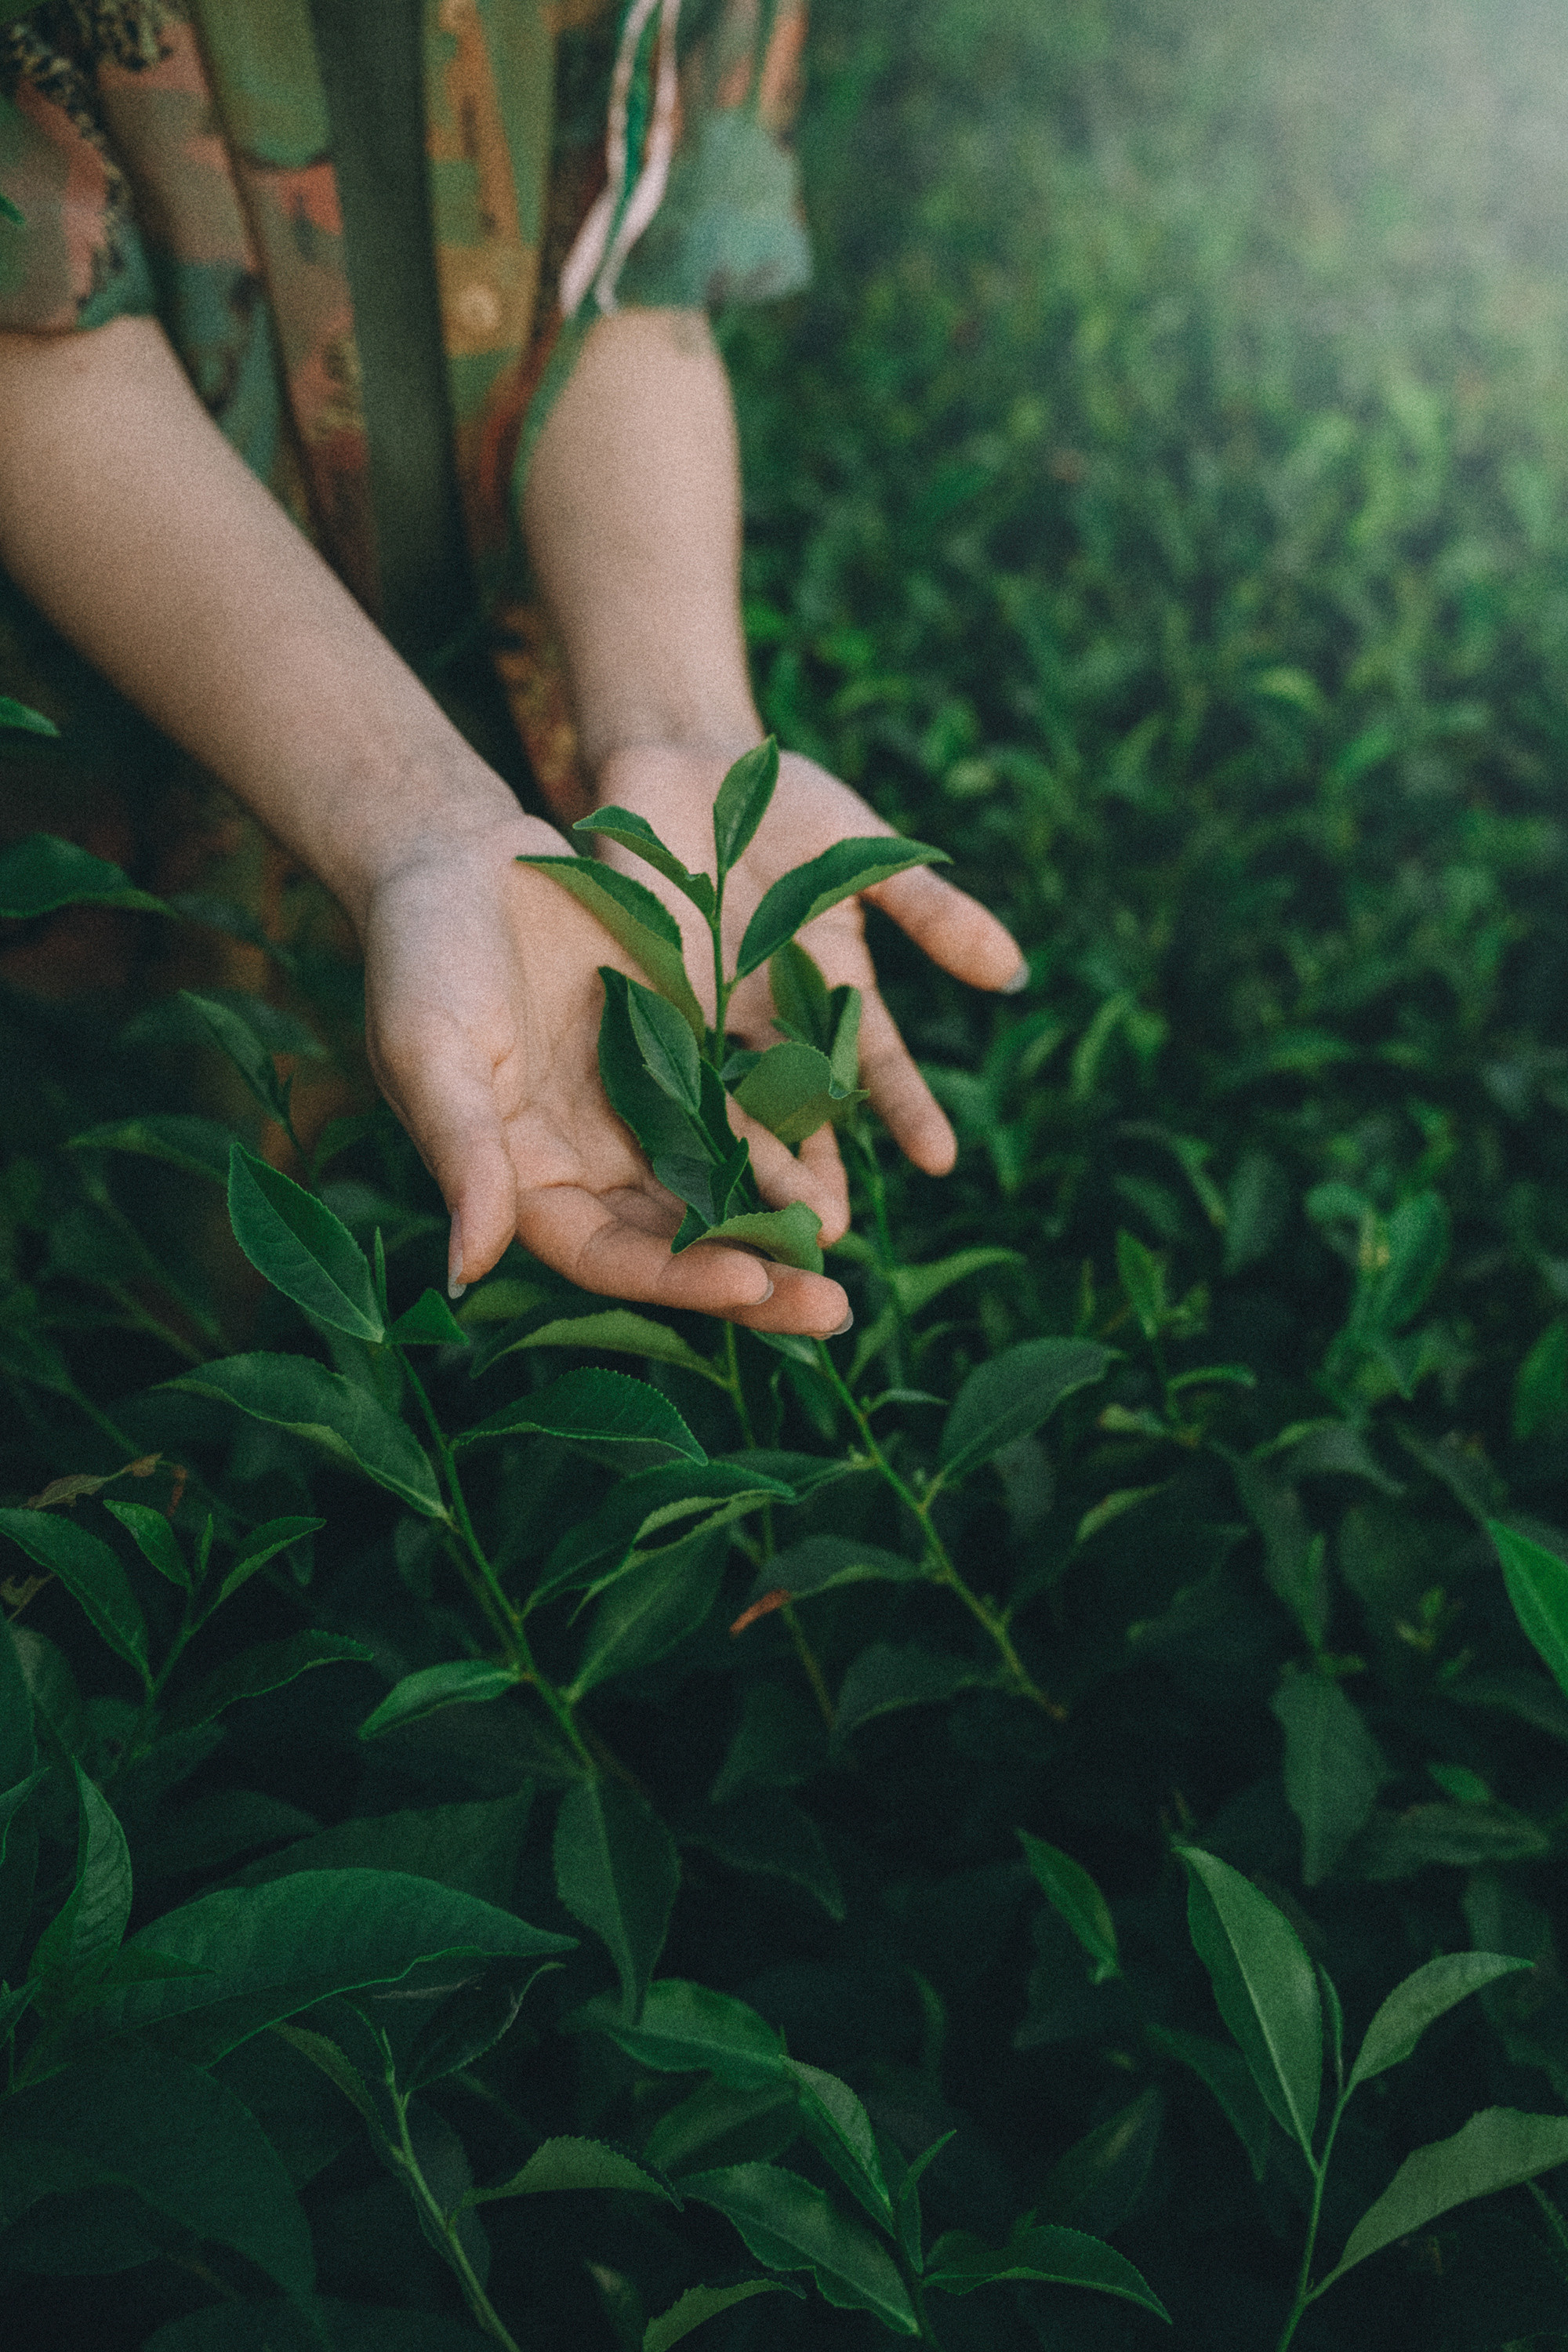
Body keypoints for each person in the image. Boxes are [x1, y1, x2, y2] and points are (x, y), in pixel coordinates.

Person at [0, 0, 1024, 1341]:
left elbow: (624, 275)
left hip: (501, 654)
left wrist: (674, 725)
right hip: (120, 689)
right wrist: (409, 813)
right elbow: (36, 336)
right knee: (146, 1242)